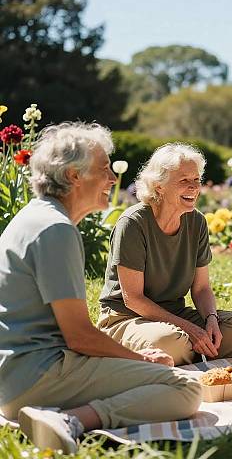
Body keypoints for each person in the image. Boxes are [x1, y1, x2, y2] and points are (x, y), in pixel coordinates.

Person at [0, 123, 202, 454]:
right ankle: (70, 421)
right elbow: (79, 336)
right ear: (73, 175)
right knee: (183, 388)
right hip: (36, 379)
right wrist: (141, 359)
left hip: (16, 376)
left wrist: (133, 361)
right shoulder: (56, 230)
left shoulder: (35, 217)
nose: (111, 178)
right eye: (103, 168)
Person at [97, 143, 232, 365]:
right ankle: (188, 352)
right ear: (158, 186)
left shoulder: (197, 221)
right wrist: (189, 329)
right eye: (184, 181)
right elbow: (133, 299)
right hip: (127, 319)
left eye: (197, 180)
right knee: (170, 341)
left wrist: (210, 320)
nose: (194, 187)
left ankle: (184, 354)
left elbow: (201, 288)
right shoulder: (133, 223)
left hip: (175, 317)